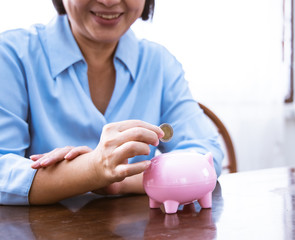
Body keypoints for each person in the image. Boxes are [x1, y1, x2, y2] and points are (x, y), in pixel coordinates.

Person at [0, 0, 223, 205]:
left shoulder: (159, 63)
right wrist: (90, 170)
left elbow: (205, 154)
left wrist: (121, 179)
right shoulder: (12, 55)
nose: (109, 1)